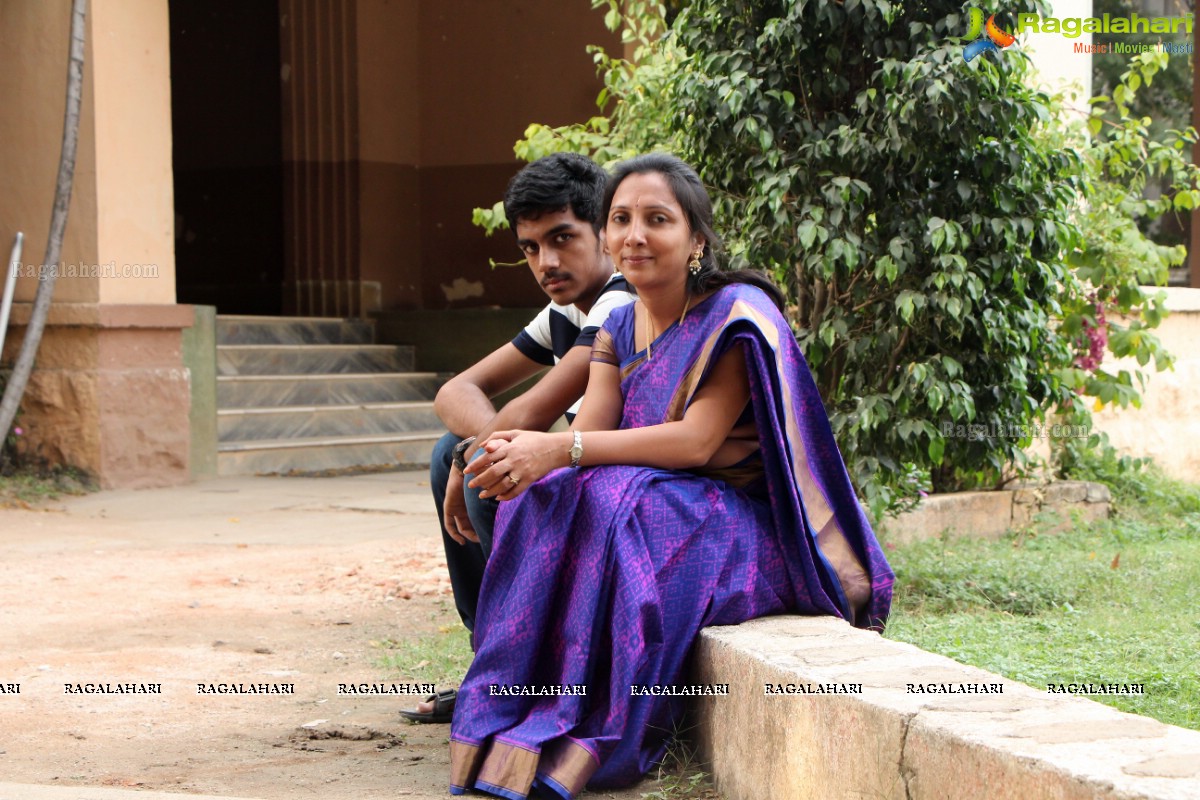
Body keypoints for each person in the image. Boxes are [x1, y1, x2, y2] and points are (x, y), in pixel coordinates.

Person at [448, 153, 895, 798]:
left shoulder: (737, 314)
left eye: (657, 219)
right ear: (606, 235)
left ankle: (593, 726)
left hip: (745, 526)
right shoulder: (619, 324)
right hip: (660, 499)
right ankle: (522, 700)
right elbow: (594, 434)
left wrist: (555, 450)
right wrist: (509, 456)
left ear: (696, 239)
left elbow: (696, 442)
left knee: (614, 501)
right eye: (621, 219)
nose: (635, 235)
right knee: (549, 494)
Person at [401, 153, 636, 724]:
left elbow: (536, 406)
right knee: (461, 453)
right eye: (530, 247)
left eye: (561, 238)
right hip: (589, 469)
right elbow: (456, 390)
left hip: (630, 481)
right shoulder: (560, 313)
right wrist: (465, 451)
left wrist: (469, 456)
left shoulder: (620, 298)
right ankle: (493, 664)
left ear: (604, 232)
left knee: (483, 459)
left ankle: (519, 673)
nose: (546, 262)